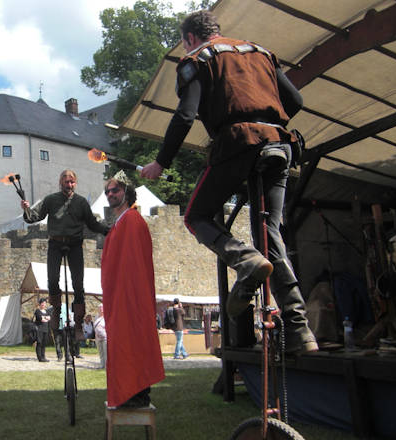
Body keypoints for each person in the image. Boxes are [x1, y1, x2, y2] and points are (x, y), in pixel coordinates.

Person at [140, 10, 317, 354]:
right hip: (280, 143)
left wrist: (161, 162)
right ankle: (300, 330)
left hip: (238, 143)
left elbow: (185, 115)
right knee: (271, 233)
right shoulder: (260, 52)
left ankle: (245, 259)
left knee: (197, 216)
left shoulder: (196, 59)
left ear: (190, 38)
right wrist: (265, 117)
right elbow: (295, 101)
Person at [21, 169, 109, 340]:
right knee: (52, 279)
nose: (69, 185)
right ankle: (56, 313)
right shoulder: (51, 199)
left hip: (75, 244)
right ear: (60, 182)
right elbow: (35, 217)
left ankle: (77, 323)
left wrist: (108, 231)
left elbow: (92, 224)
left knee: (78, 284)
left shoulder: (81, 202)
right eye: (66, 182)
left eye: (72, 182)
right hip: (55, 243)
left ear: (75, 183)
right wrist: (26, 210)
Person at [101, 173, 165, 408]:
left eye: (115, 190)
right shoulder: (121, 223)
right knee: (122, 341)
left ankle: (136, 394)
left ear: (126, 193)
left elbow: (134, 265)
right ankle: (128, 393)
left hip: (129, 296)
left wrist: (126, 296)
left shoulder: (132, 221)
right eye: (107, 191)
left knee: (132, 340)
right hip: (120, 295)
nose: (110, 194)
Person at [93, 304, 107, 369]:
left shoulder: (107, 316)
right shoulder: (96, 317)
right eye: (100, 308)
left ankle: (107, 366)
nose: (101, 309)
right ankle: (102, 365)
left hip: (105, 337)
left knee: (105, 352)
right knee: (101, 352)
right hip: (97, 338)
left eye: (102, 308)